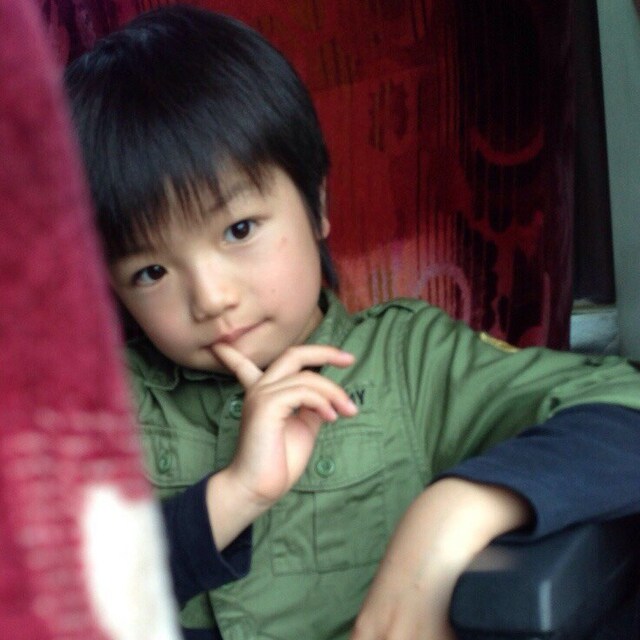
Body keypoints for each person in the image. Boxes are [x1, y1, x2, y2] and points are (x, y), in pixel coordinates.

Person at [64, 6, 640, 640]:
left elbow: (625, 406)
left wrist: (453, 511)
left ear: (316, 204)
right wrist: (234, 496)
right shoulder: (98, 403)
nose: (211, 299)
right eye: (151, 271)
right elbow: (52, 593)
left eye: (239, 230)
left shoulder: (411, 360)